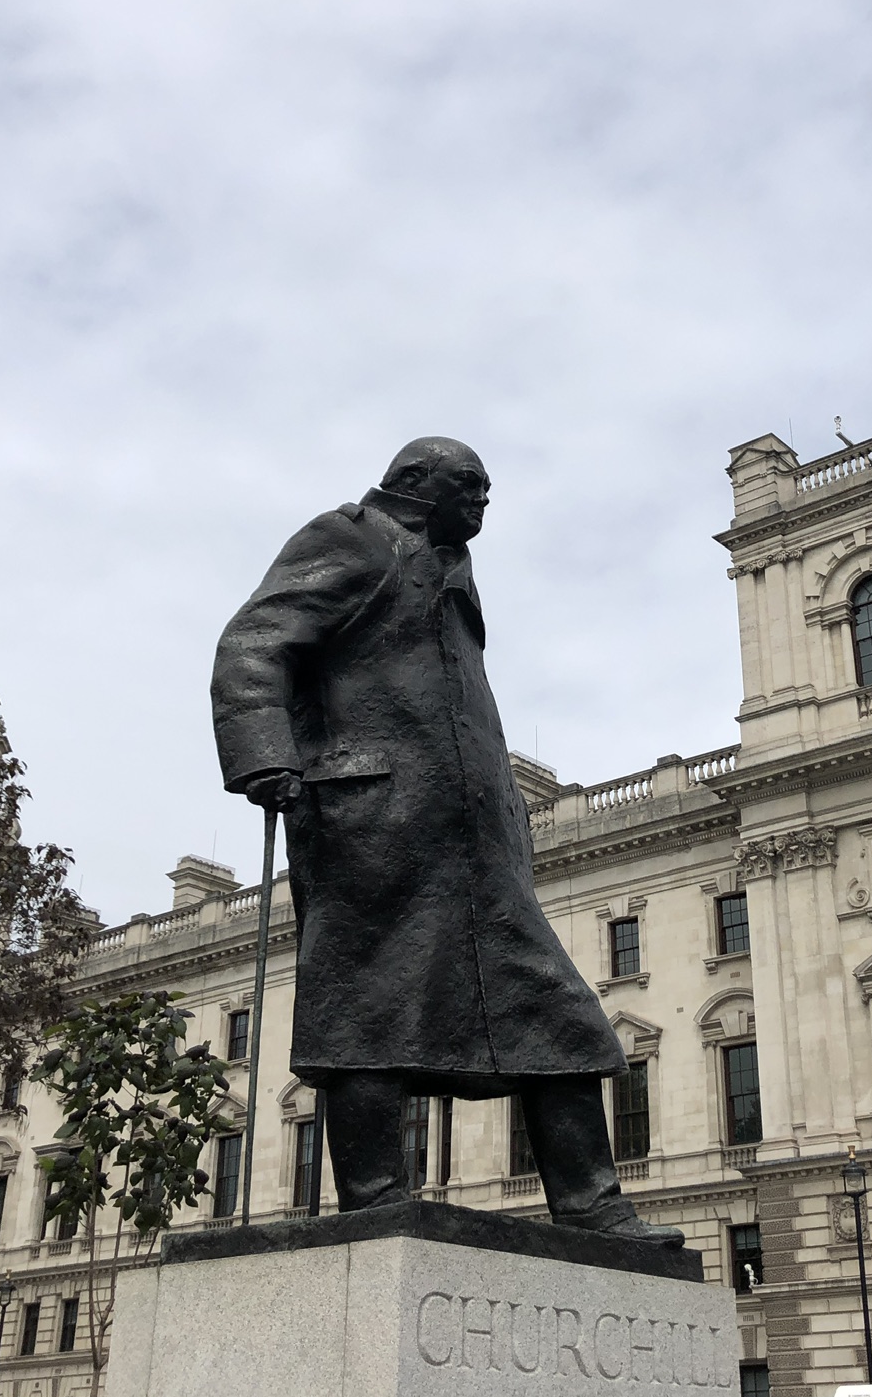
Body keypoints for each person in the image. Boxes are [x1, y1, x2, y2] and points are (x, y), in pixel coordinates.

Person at [212, 436, 680, 1245]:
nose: (483, 499)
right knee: (364, 1012)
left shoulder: (452, 566)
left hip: (473, 842)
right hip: (369, 822)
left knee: (560, 1015)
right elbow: (253, 642)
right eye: (469, 483)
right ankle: (374, 1200)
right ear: (415, 483)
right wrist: (265, 755)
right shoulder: (349, 538)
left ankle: (591, 1203)